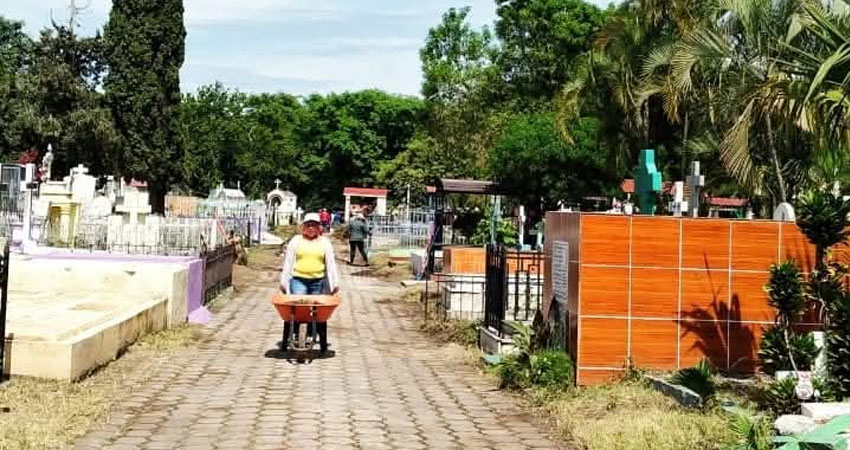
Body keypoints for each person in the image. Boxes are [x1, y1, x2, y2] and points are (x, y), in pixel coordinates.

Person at [280, 213, 339, 353]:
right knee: (298, 310)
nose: (311, 228)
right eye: (308, 225)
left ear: (319, 227)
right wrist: (283, 281)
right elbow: (288, 261)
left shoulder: (324, 242)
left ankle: (320, 340)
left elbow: (331, 263)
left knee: (318, 312)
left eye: (314, 225)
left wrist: (334, 283)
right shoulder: (296, 241)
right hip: (298, 280)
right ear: (303, 227)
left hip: (318, 281)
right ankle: (293, 336)